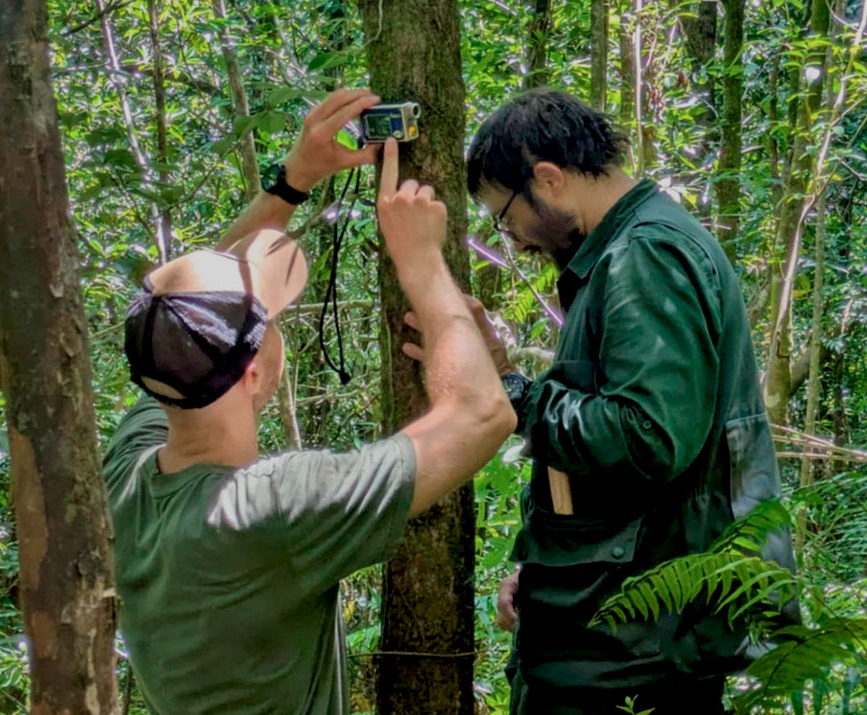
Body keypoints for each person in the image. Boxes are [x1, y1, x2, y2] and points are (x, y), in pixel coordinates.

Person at [101, 89, 516, 715]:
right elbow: (483, 415)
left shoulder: (126, 474)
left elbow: (188, 308)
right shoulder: (273, 509)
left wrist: (294, 181)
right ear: (255, 375)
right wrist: (422, 263)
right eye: (271, 318)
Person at [408, 88, 795, 713]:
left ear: (550, 180)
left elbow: (647, 437)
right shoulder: (636, 247)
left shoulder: (645, 254)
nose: (516, 239)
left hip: (636, 653)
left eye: (507, 217)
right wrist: (544, 575)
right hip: (627, 632)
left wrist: (510, 394)